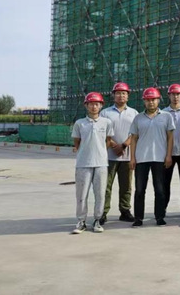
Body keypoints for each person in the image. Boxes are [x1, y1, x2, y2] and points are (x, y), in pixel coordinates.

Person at [128, 87, 174, 227]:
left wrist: (169, 155)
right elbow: (134, 138)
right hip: (141, 158)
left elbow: (170, 137)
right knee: (139, 190)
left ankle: (159, 217)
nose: (151, 102)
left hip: (159, 158)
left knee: (160, 189)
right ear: (144, 101)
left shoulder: (166, 116)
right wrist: (132, 158)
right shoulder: (138, 118)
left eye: (153, 99)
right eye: (148, 100)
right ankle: (138, 218)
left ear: (158, 100)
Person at [71, 92, 114, 234]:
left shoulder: (106, 122)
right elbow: (77, 142)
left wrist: (100, 152)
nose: (94, 106)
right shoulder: (79, 123)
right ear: (86, 105)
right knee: (81, 194)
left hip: (101, 163)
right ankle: (81, 221)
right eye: (91, 104)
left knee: (100, 194)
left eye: (97, 104)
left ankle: (97, 220)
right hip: (83, 163)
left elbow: (108, 141)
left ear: (101, 106)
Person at [99, 82, 138, 225]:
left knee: (126, 186)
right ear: (113, 95)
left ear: (128, 96)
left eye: (124, 93)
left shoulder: (134, 113)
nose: (121, 95)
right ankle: (102, 212)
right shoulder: (105, 113)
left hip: (127, 156)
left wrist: (124, 145)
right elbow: (102, 132)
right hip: (108, 156)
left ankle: (125, 210)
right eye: (118, 93)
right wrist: (114, 145)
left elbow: (135, 133)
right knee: (106, 185)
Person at [164, 83, 180, 216]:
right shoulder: (163, 113)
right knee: (165, 181)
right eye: (173, 94)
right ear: (169, 95)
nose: (175, 97)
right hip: (168, 153)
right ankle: (163, 206)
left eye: (178, 94)